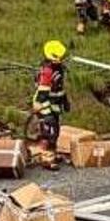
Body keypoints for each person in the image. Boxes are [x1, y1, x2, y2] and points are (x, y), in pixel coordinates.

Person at [32, 40, 69, 169]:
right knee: (48, 131)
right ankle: (46, 158)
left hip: (55, 105)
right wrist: (43, 111)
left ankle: (52, 153)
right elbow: (42, 92)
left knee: (56, 130)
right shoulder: (47, 72)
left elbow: (59, 89)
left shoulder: (58, 70)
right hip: (44, 105)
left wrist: (65, 101)